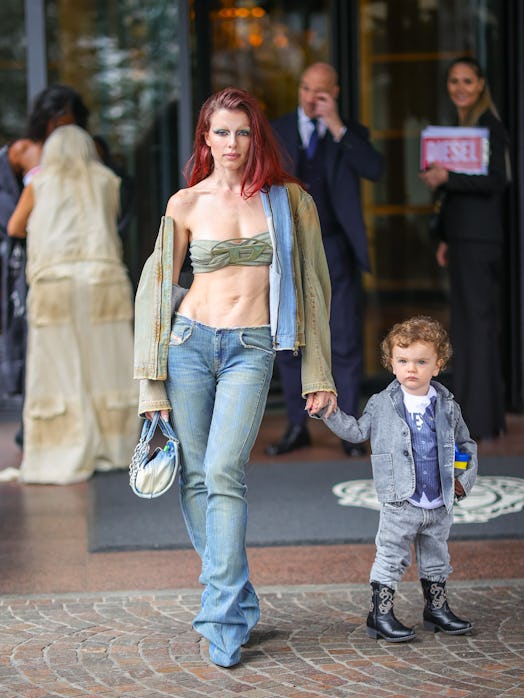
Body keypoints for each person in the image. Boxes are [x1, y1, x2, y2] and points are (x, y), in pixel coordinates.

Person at [134, 87, 337, 667]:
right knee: (195, 477)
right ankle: (237, 599)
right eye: (221, 132)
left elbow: (317, 290)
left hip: (252, 349)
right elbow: (157, 295)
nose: (232, 144)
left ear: (257, 138)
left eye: (243, 132)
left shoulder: (289, 202)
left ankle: (220, 616)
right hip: (189, 345)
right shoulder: (185, 204)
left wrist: (317, 373)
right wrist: (151, 387)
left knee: (224, 469)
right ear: (205, 138)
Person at [311, 315, 477, 642]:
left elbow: (466, 445)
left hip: (439, 499)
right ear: (391, 364)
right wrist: (328, 412)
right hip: (401, 500)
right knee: (391, 555)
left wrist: (463, 479)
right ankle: (380, 614)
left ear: (438, 365)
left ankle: (436, 609)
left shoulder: (446, 406)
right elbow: (357, 432)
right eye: (403, 361)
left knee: (437, 555)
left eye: (420, 361)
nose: (411, 368)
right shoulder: (382, 404)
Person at [7, 124, 138, 483]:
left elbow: (15, 227)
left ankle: (62, 448)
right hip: (103, 279)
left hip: (55, 283)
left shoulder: (40, 182)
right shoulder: (107, 180)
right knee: (109, 365)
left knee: (58, 369)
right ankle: (115, 447)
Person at [266, 62, 384, 457]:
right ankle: (297, 426)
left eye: (322, 92)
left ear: (334, 93)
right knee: (289, 340)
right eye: (306, 89)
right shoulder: (276, 130)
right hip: (287, 246)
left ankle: (347, 429)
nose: (312, 98)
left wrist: (337, 126)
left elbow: (375, 169)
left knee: (345, 337)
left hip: (335, 247)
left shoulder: (349, 132)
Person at [419, 56, 509, 441]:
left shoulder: (489, 125)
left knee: (478, 326)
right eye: (454, 81)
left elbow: (494, 182)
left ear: (481, 84)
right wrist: (443, 237)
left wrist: (447, 176)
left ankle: (483, 421)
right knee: (469, 327)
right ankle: (478, 417)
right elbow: (453, 191)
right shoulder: (458, 127)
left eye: (467, 81)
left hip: (479, 238)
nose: (460, 88)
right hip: (460, 237)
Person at [0, 84, 90, 445]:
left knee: (72, 342)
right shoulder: (23, 151)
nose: (60, 129)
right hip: (30, 255)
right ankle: (31, 422)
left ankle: (72, 422)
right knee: (28, 338)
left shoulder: (84, 152)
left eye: (67, 122)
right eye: (55, 122)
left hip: (71, 255)